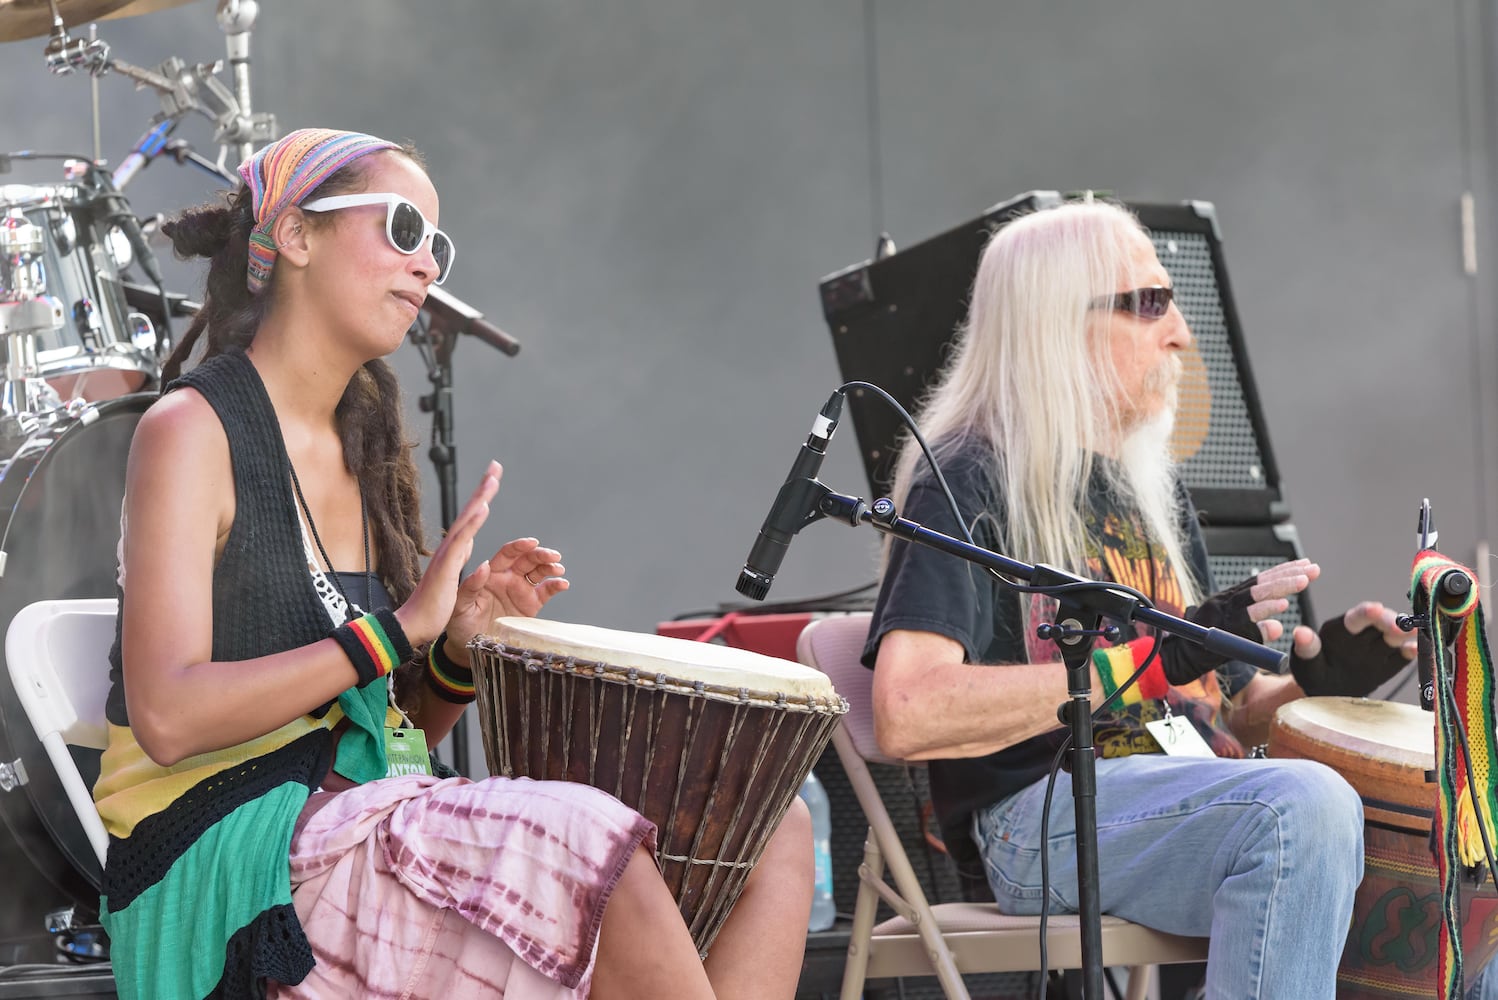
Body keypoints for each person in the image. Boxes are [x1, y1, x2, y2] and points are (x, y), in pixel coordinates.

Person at [91, 127, 812, 1000]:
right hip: (221, 858)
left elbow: (383, 731)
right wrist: (393, 633)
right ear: (296, 236)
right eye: (402, 229)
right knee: (577, 838)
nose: (427, 265)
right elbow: (167, 716)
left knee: (772, 831)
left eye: (438, 244)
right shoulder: (190, 432)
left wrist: (457, 648)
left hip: (349, 822)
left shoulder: (364, 452)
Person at [862, 198, 1498, 998]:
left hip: (1180, 785)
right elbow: (909, 709)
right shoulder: (966, 474)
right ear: (1061, 321)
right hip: (1042, 816)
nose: (1181, 335)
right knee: (1296, 809)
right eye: (1151, 304)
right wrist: (1146, 663)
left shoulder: (1145, 489)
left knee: (1464, 842)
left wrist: (1322, 682)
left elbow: (1229, 713)